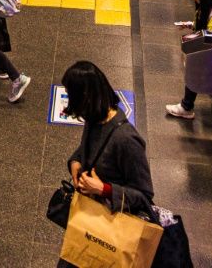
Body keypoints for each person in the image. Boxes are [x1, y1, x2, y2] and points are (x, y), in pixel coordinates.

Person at [61, 60, 154, 229]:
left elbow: (144, 196)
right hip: (90, 216)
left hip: (113, 228)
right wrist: (75, 161)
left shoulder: (126, 140)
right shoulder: (94, 117)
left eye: (70, 96)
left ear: (84, 98)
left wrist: (104, 189)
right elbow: (88, 149)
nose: (69, 104)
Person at [164, 0, 212, 121]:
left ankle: (186, 107)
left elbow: (210, 39)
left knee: (193, 76)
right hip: (203, 52)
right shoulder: (204, 9)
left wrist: (191, 46)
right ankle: (186, 105)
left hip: (211, 56)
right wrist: (188, 25)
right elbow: (201, 29)